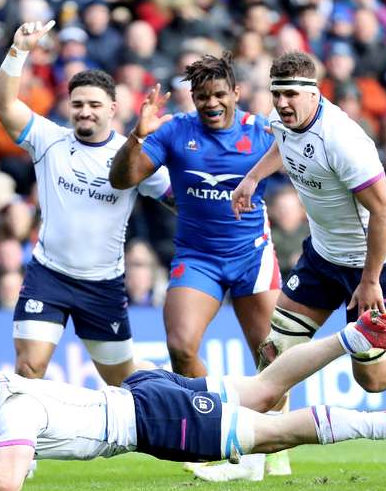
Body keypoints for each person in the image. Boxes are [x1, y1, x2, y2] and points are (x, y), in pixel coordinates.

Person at [205, 51, 386, 482]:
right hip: (323, 258)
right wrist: (252, 177)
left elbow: (385, 213)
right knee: (273, 352)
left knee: (374, 379)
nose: (282, 103)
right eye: (276, 93)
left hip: (373, 265)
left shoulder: (343, 139)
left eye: (290, 95)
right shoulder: (282, 119)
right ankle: (254, 463)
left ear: (314, 93)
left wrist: (370, 279)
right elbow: (283, 146)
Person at [0, 311, 386, 491]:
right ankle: (355, 334)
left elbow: (9, 483)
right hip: (143, 390)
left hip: (152, 420)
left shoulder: (14, 411)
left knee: (275, 432)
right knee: (264, 388)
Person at [0, 20, 172, 387]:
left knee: (123, 381)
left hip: (102, 284)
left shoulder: (132, 154)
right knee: (28, 369)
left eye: (93, 104)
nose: (84, 111)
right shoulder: (48, 139)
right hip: (48, 275)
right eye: (77, 104)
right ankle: (25, 444)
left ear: (113, 108)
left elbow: (176, 200)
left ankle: (174, 388)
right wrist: (18, 50)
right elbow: (2, 103)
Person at [109, 52, 280, 380]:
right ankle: (219, 411)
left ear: (236, 93)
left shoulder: (261, 133)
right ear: (193, 99)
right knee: (180, 347)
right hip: (198, 258)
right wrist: (137, 136)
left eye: (219, 95)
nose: (211, 103)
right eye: (202, 97)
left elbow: (307, 166)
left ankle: (278, 424)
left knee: (273, 359)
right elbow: (121, 179)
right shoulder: (174, 131)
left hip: (252, 257)